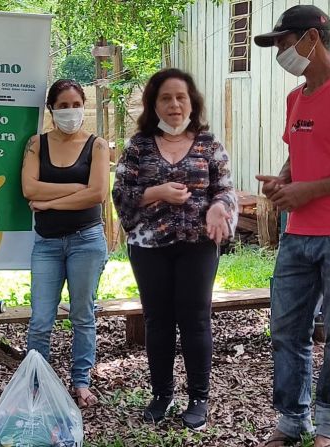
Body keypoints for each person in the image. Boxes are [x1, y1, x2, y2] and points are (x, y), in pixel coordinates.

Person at [254, 5, 330, 447]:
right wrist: (284, 181)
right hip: (298, 235)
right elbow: (297, 154)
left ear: (312, 38)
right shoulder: (295, 98)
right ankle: (292, 422)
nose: (280, 52)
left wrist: (309, 191)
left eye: (282, 42)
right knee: (286, 329)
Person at [112, 68, 237, 431]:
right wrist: (156, 193)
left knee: (195, 318)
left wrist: (219, 208)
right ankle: (162, 394)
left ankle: (199, 398)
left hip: (197, 245)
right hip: (148, 247)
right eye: (165, 98)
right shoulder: (138, 146)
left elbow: (226, 190)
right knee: (158, 320)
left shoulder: (209, 144)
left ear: (191, 102)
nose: (174, 104)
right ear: (154, 104)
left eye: (180, 97)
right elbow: (120, 195)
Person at [22, 79, 109, 408]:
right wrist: (75, 187)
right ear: (51, 110)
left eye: (76, 105)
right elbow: (29, 189)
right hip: (47, 244)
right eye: (63, 106)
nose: (71, 112)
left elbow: (98, 194)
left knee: (83, 315)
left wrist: (50, 201)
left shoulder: (97, 146)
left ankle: (81, 381)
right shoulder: (36, 145)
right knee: (40, 319)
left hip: (86, 241)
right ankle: (36, 381)